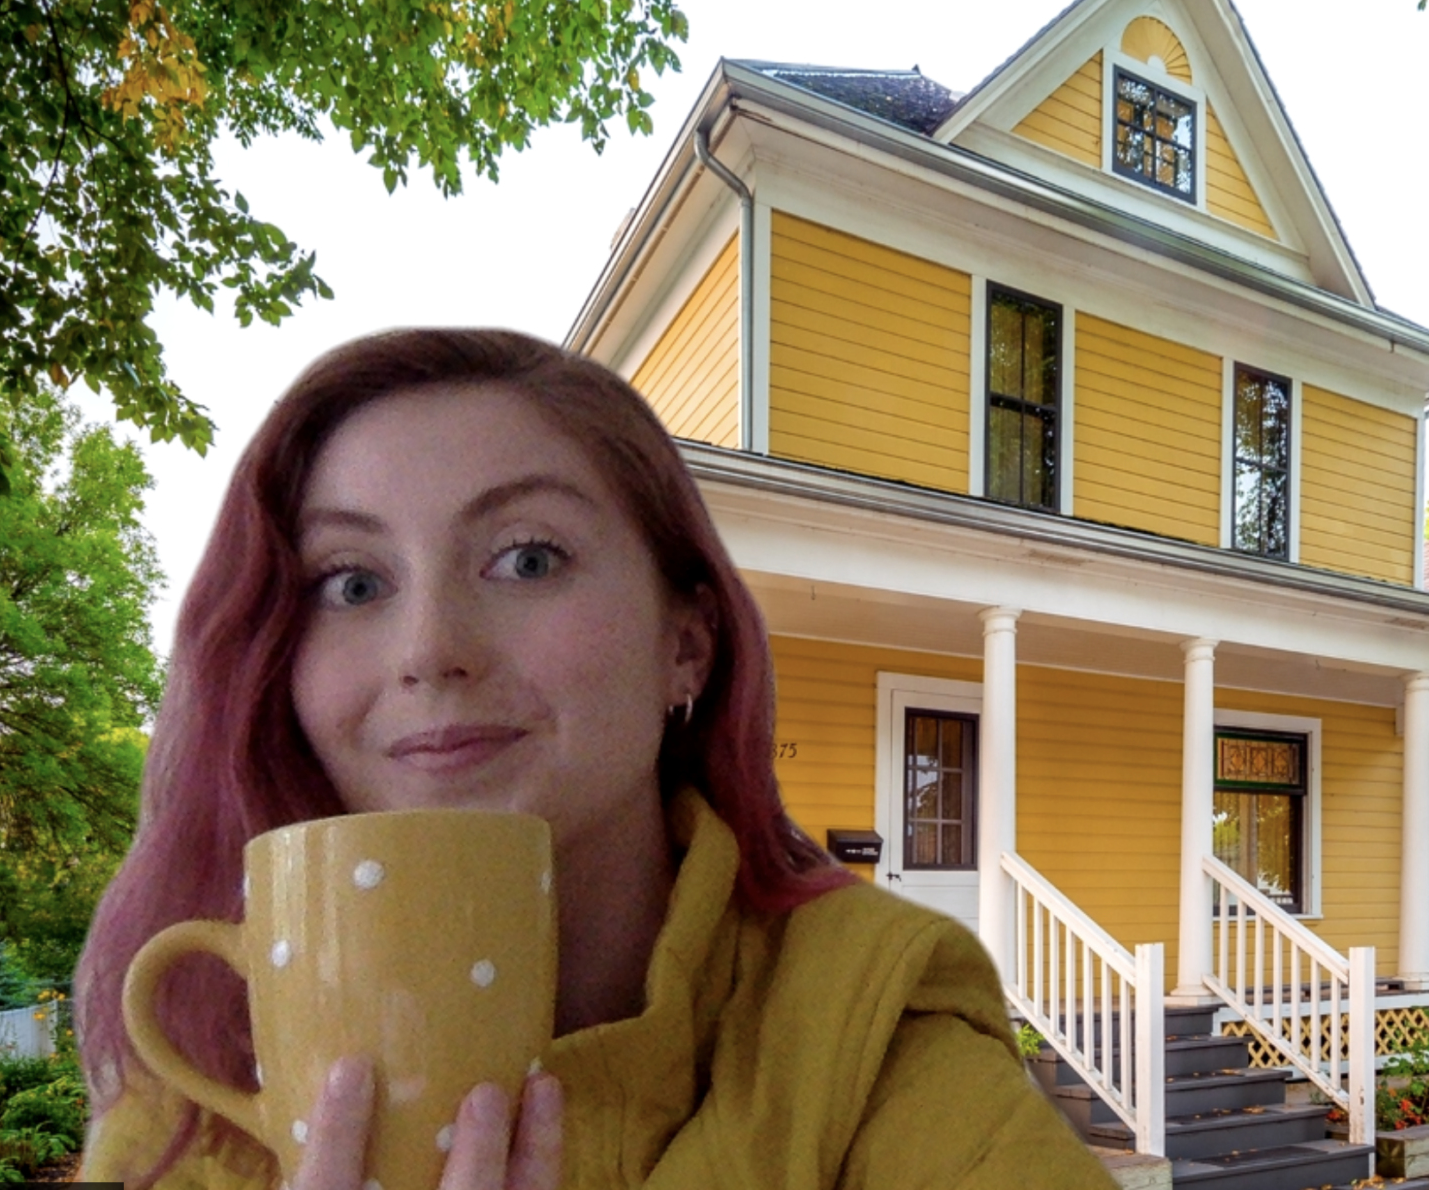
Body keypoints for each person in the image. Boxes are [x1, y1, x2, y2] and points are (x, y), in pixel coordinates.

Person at [76, 329, 1120, 1190]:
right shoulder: (191, 1080)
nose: (431, 648)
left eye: (528, 558)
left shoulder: (867, 1022)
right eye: (350, 582)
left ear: (687, 642)